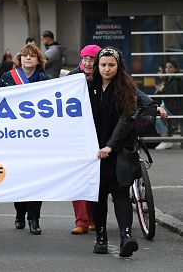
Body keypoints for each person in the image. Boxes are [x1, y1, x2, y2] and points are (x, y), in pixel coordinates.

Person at [88, 47, 140, 257]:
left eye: (111, 65)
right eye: (103, 65)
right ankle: (101, 237)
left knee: (120, 193)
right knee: (97, 195)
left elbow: (126, 119)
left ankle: (126, 236)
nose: (107, 69)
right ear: (97, 65)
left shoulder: (125, 87)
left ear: (118, 66)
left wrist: (110, 145)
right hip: (93, 151)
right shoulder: (87, 85)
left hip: (117, 150)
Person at [0, 44, 50, 235]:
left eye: (32, 56)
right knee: (18, 177)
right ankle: (20, 213)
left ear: (39, 60)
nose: (28, 58)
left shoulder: (45, 79)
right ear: (19, 59)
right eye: (25, 55)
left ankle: (34, 218)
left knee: (36, 178)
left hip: (37, 136)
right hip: (14, 135)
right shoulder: (7, 78)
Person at [68, 44, 101, 235]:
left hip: (100, 131)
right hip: (77, 134)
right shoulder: (72, 78)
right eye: (85, 59)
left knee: (97, 178)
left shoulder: (106, 76)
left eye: (92, 59)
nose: (88, 63)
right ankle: (82, 221)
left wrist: (153, 106)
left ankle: (94, 218)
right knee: (78, 176)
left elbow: (134, 94)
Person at [154, 60, 183, 149]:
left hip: (175, 107)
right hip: (170, 106)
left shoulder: (177, 79)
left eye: (170, 67)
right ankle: (165, 139)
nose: (168, 69)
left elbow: (174, 93)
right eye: (166, 67)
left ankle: (166, 139)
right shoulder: (168, 79)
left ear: (175, 69)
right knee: (157, 116)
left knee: (158, 116)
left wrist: (162, 89)